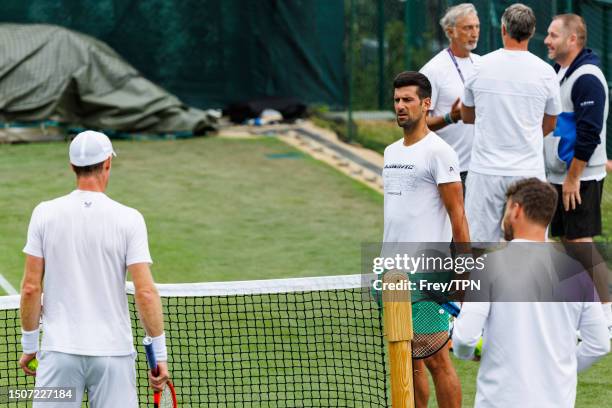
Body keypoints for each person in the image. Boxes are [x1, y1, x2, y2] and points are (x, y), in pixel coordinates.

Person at [19, 130, 169, 407]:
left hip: (58, 354)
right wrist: (158, 355)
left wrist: (30, 346)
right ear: (108, 163)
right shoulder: (130, 219)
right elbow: (145, 292)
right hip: (113, 356)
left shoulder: (44, 213)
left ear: (72, 166)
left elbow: (30, 288)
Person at [452, 178, 610, 407]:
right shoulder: (577, 272)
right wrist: (560, 370)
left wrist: (469, 353)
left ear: (516, 209)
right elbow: (599, 344)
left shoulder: (488, 266)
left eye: (506, 209)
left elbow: (464, 338)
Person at [384, 71, 469, 408]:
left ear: (425, 103)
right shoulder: (391, 152)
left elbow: (458, 217)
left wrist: (462, 272)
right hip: (391, 272)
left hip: (427, 273)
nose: (401, 106)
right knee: (408, 359)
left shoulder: (439, 152)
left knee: (436, 359)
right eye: (396, 100)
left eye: (407, 100)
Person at [461, 3, 562, 244]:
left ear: (503, 29)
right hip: (528, 172)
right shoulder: (546, 72)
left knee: (476, 247)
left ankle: (477, 284)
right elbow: (550, 123)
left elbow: (466, 116)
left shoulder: (479, 66)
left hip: (485, 171)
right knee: (530, 247)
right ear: (532, 31)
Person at [543, 14, 611, 334]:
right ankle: (582, 310)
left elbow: (589, 132)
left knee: (580, 243)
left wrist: (573, 178)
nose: (546, 40)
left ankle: (608, 313)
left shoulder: (587, 77)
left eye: (553, 35)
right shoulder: (560, 72)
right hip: (560, 176)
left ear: (573, 40)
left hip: (579, 178)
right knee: (566, 242)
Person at [420, 3, 481, 188]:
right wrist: (450, 117)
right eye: (467, 27)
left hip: (481, 167)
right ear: (450, 31)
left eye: (477, 26)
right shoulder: (433, 70)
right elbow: (418, 123)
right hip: (449, 169)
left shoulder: (482, 64)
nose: (474, 32)